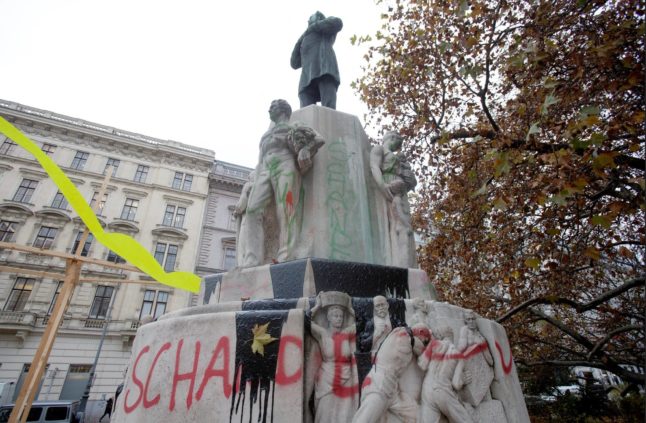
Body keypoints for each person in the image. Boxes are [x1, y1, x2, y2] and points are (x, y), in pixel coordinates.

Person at [240, 99, 322, 267]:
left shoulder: (294, 126)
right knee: (252, 210)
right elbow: (259, 161)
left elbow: (319, 139)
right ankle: (252, 258)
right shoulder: (265, 134)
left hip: (285, 166)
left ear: (283, 110)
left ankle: (286, 254)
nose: (269, 109)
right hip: (264, 170)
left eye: (273, 106)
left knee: (286, 209)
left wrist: (306, 149)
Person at [352, 324, 431, 423]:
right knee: (364, 419)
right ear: (421, 333)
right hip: (379, 385)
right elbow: (418, 348)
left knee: (414, 414)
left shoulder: (404, 335)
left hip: (392, 389)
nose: (424, 344)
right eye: (425, 341)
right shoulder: (403, 335)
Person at [310, 291, 358, 423]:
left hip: (346, 376)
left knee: (345, 414)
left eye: (341, 316)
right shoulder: (323, 334)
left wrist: (350, 309)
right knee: (324, 413)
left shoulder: (347, 333)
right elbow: (305, 321)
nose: (339, 319)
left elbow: (361, 323)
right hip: (327, 377)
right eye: (335, 316)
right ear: (329, 318)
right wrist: (317, 306)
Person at [370, 132, 417, 268]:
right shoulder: (379, 149)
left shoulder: (397, 157)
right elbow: (374, 167)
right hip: (387, 186)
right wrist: (382, 185)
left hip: (399, 190)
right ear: (392, 138)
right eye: (398, 144)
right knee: (395, 224)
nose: (398, 148)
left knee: (404, 226)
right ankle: (398, 263)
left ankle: (405, 264)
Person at [418, 326, 474, 423]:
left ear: (440, 336)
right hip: (442, 391)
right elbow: (456, 384)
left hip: (426, 390)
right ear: (452, 336)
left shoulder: (434, 346)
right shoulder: (458, 354)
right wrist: (463, 380)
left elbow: (422, 365)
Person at [291, 11, 343, 109]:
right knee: (305, 115)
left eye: (311, 17)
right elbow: (294, 63)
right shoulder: (306, 37)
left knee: (329, 110)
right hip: (306, 79)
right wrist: (302, 38)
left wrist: (314, 26)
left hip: (325, 70)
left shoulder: (324, 28)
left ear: (318, 18)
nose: (308, 20)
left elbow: (338, 23)